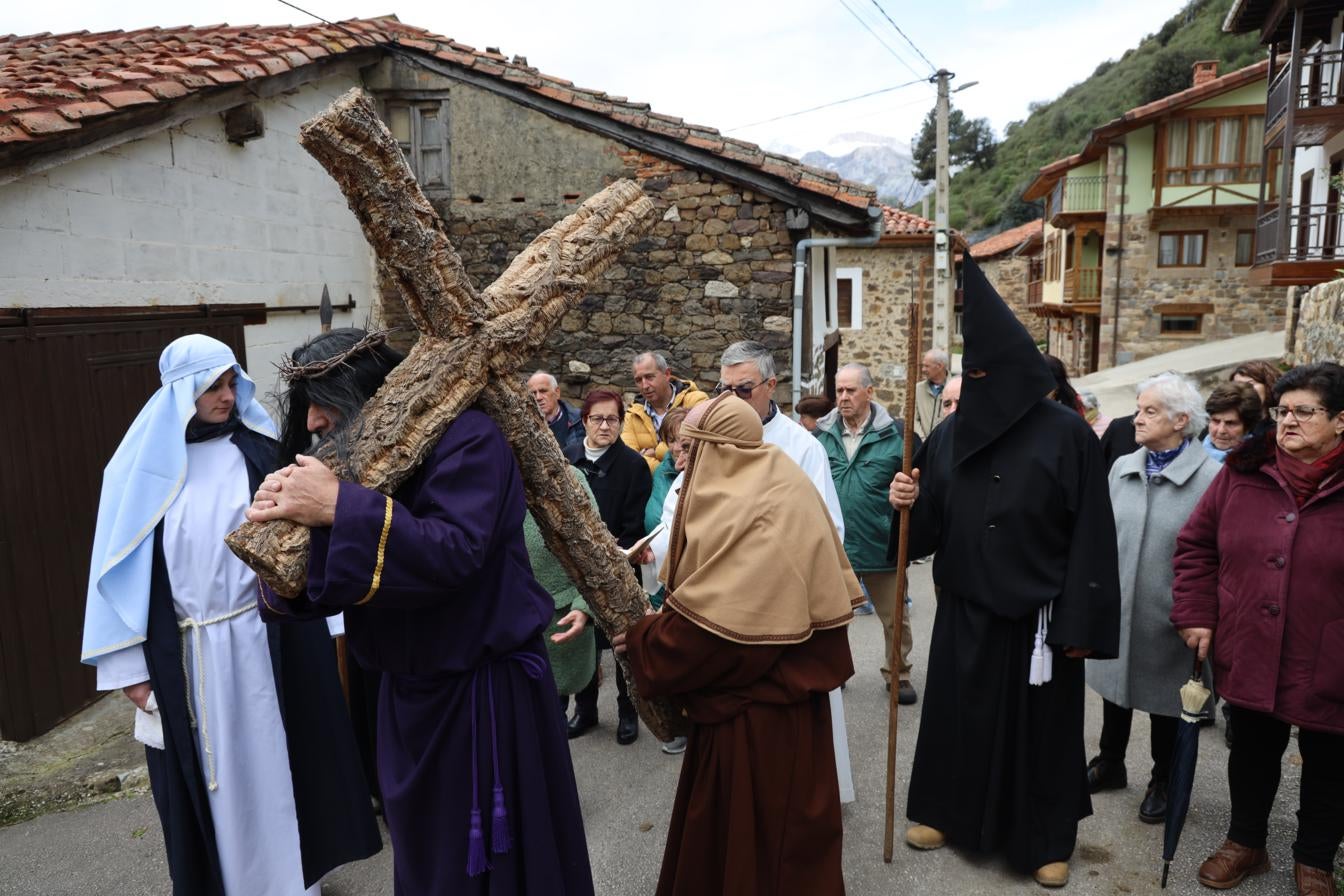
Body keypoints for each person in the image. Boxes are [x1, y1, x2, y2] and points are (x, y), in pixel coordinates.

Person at [248, 328, 594, 895]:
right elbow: (326, 583)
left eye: (324, 401)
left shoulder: (469, 438)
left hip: (485, 699)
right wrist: (284, 546)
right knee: (431, 866)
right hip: (406, 701)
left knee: (492, 870)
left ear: (370, 393)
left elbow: (453, 551)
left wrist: (339, 506)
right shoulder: (358, 467)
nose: (312, 421)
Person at [81, 334, 380, 896]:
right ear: (180, 393)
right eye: (211, 387)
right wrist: (128, 670)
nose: (225, 396)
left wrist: (331, 622)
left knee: (281, 762)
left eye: (230, 383)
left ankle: (295, 884)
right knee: (218, 781)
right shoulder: (139, 474)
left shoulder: (261, 453)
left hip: (267, 637)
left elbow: (303, 541)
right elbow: (117, 574)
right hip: (192, 654)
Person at [887, 260, 1120, 888]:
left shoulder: (1068, 436)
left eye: (987, 374)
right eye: (973, 374)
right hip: (964, 608)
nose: (978, 385)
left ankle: (1045, 839)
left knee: (1040, 735)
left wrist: (1082, 622)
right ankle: (944, 813)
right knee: (958, 719)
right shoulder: (950, 434)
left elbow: (1094, 537)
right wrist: (909, 504)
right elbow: (928, 530)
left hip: (1039, 617)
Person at [616, 394, 861, 896]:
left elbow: (721, 635)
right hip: (780, 712)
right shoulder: (771, 478)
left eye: (692, 450)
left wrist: (646, 639)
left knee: (759, 850)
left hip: (760, 726)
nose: (681, 462)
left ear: (719, 450)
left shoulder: (761, 510)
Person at [1172, 361, 1344, 896]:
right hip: (1250, 638)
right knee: (1250, 748)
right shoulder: (1243, 471)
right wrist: (1197, 613)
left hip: (1332, 649)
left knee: (1332, 758)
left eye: (1304, 412)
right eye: (1282, 410)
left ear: (1340, 420)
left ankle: (1315, 858)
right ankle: (1246, 842)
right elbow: (1196, 545)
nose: (1288, 421)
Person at [717, 339, 856, 804]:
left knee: (791, 720)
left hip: (788, 604)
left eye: (743, 389)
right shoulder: (718, 439)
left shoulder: (803, 448)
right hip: (732, 604)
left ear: (771, 385)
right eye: (725, 388)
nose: (732, 399)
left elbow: (828, 528)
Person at [1085, 373, 1218, 825]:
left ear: (1181, 420)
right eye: (1139, 409)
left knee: (1167, 701)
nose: (1136, 419)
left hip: (1174, 615)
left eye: (1150, 411)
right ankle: (1110, 761)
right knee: (1114, 689)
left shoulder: (1213, 480)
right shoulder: (1123, 465)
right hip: (1119, 606)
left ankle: (1162, 778)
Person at [814, 363, 919, 703]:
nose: (842, 397)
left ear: (869, 393)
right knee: (832, 617)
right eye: (839, 391)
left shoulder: (895, 438)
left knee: (895, 617)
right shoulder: (821, 436)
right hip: (836, 545)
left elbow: (918, 486)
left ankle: (898, 673)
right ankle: (834, 671)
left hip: (881, 542)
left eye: (850, 390)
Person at [564, 388, 653, 745]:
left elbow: (635, 524)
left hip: (618, 566)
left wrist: (609, 551)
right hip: (576, 569)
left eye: (612, 419)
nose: (605, 425)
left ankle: (628, 712)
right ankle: (585, 710)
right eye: (597, 418)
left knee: (621, 645)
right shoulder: (568, 460)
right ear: (584, 421)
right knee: (584, 641)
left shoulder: (633, 465)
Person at [525, 468, 598, 711]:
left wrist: (583, 604)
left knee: (550, 720)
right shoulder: (479, 476)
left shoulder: (566, 476)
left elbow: (594, 547)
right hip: (501, 628)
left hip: (556, 619)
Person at [621, 351, 709, 472]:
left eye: (649, 377)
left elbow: (699, 448)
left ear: (667, 374)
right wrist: (666, 467)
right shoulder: (632, 414)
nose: (644, 385)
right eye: (638, 380)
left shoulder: (696, 401)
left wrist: (654, 453)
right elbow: (627, 460)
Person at [1202, 381, 1263, 464]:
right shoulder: (1192, 453)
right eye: (1216, 421)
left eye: (1230, 423)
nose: (1221, 431)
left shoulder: (1260, 464)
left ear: (1247, 427)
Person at [528, 370, 584, 451]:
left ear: (557, 392)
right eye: (533, 393)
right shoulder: (524, 425)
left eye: (543, 391)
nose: (538, 398)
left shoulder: (580, 419)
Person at [913, 348, 951, 439]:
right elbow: (913, 419)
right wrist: (922, 440)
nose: (923, 369)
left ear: (940, 366)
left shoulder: (956, 389)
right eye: (923, 366)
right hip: (922, 446)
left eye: (927, 366)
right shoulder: (918, 389)